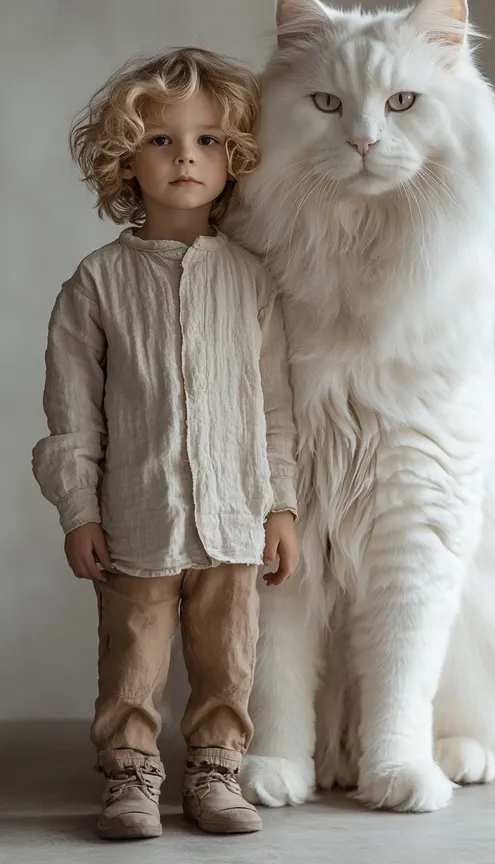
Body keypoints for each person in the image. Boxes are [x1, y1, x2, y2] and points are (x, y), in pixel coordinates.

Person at [32, 47, 299, 839]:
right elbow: (73, 416)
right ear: (125, 157)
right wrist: (78, 510)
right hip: (135, 522)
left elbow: (276, 409)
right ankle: (129, 780)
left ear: (236, 158)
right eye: (161, 139)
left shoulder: (255, 282)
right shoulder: (96, 284)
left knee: (228, 661)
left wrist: (280, 506)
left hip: (235, 519)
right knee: (132, 662)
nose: (186, 155)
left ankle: (217, 774)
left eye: (209, 140)